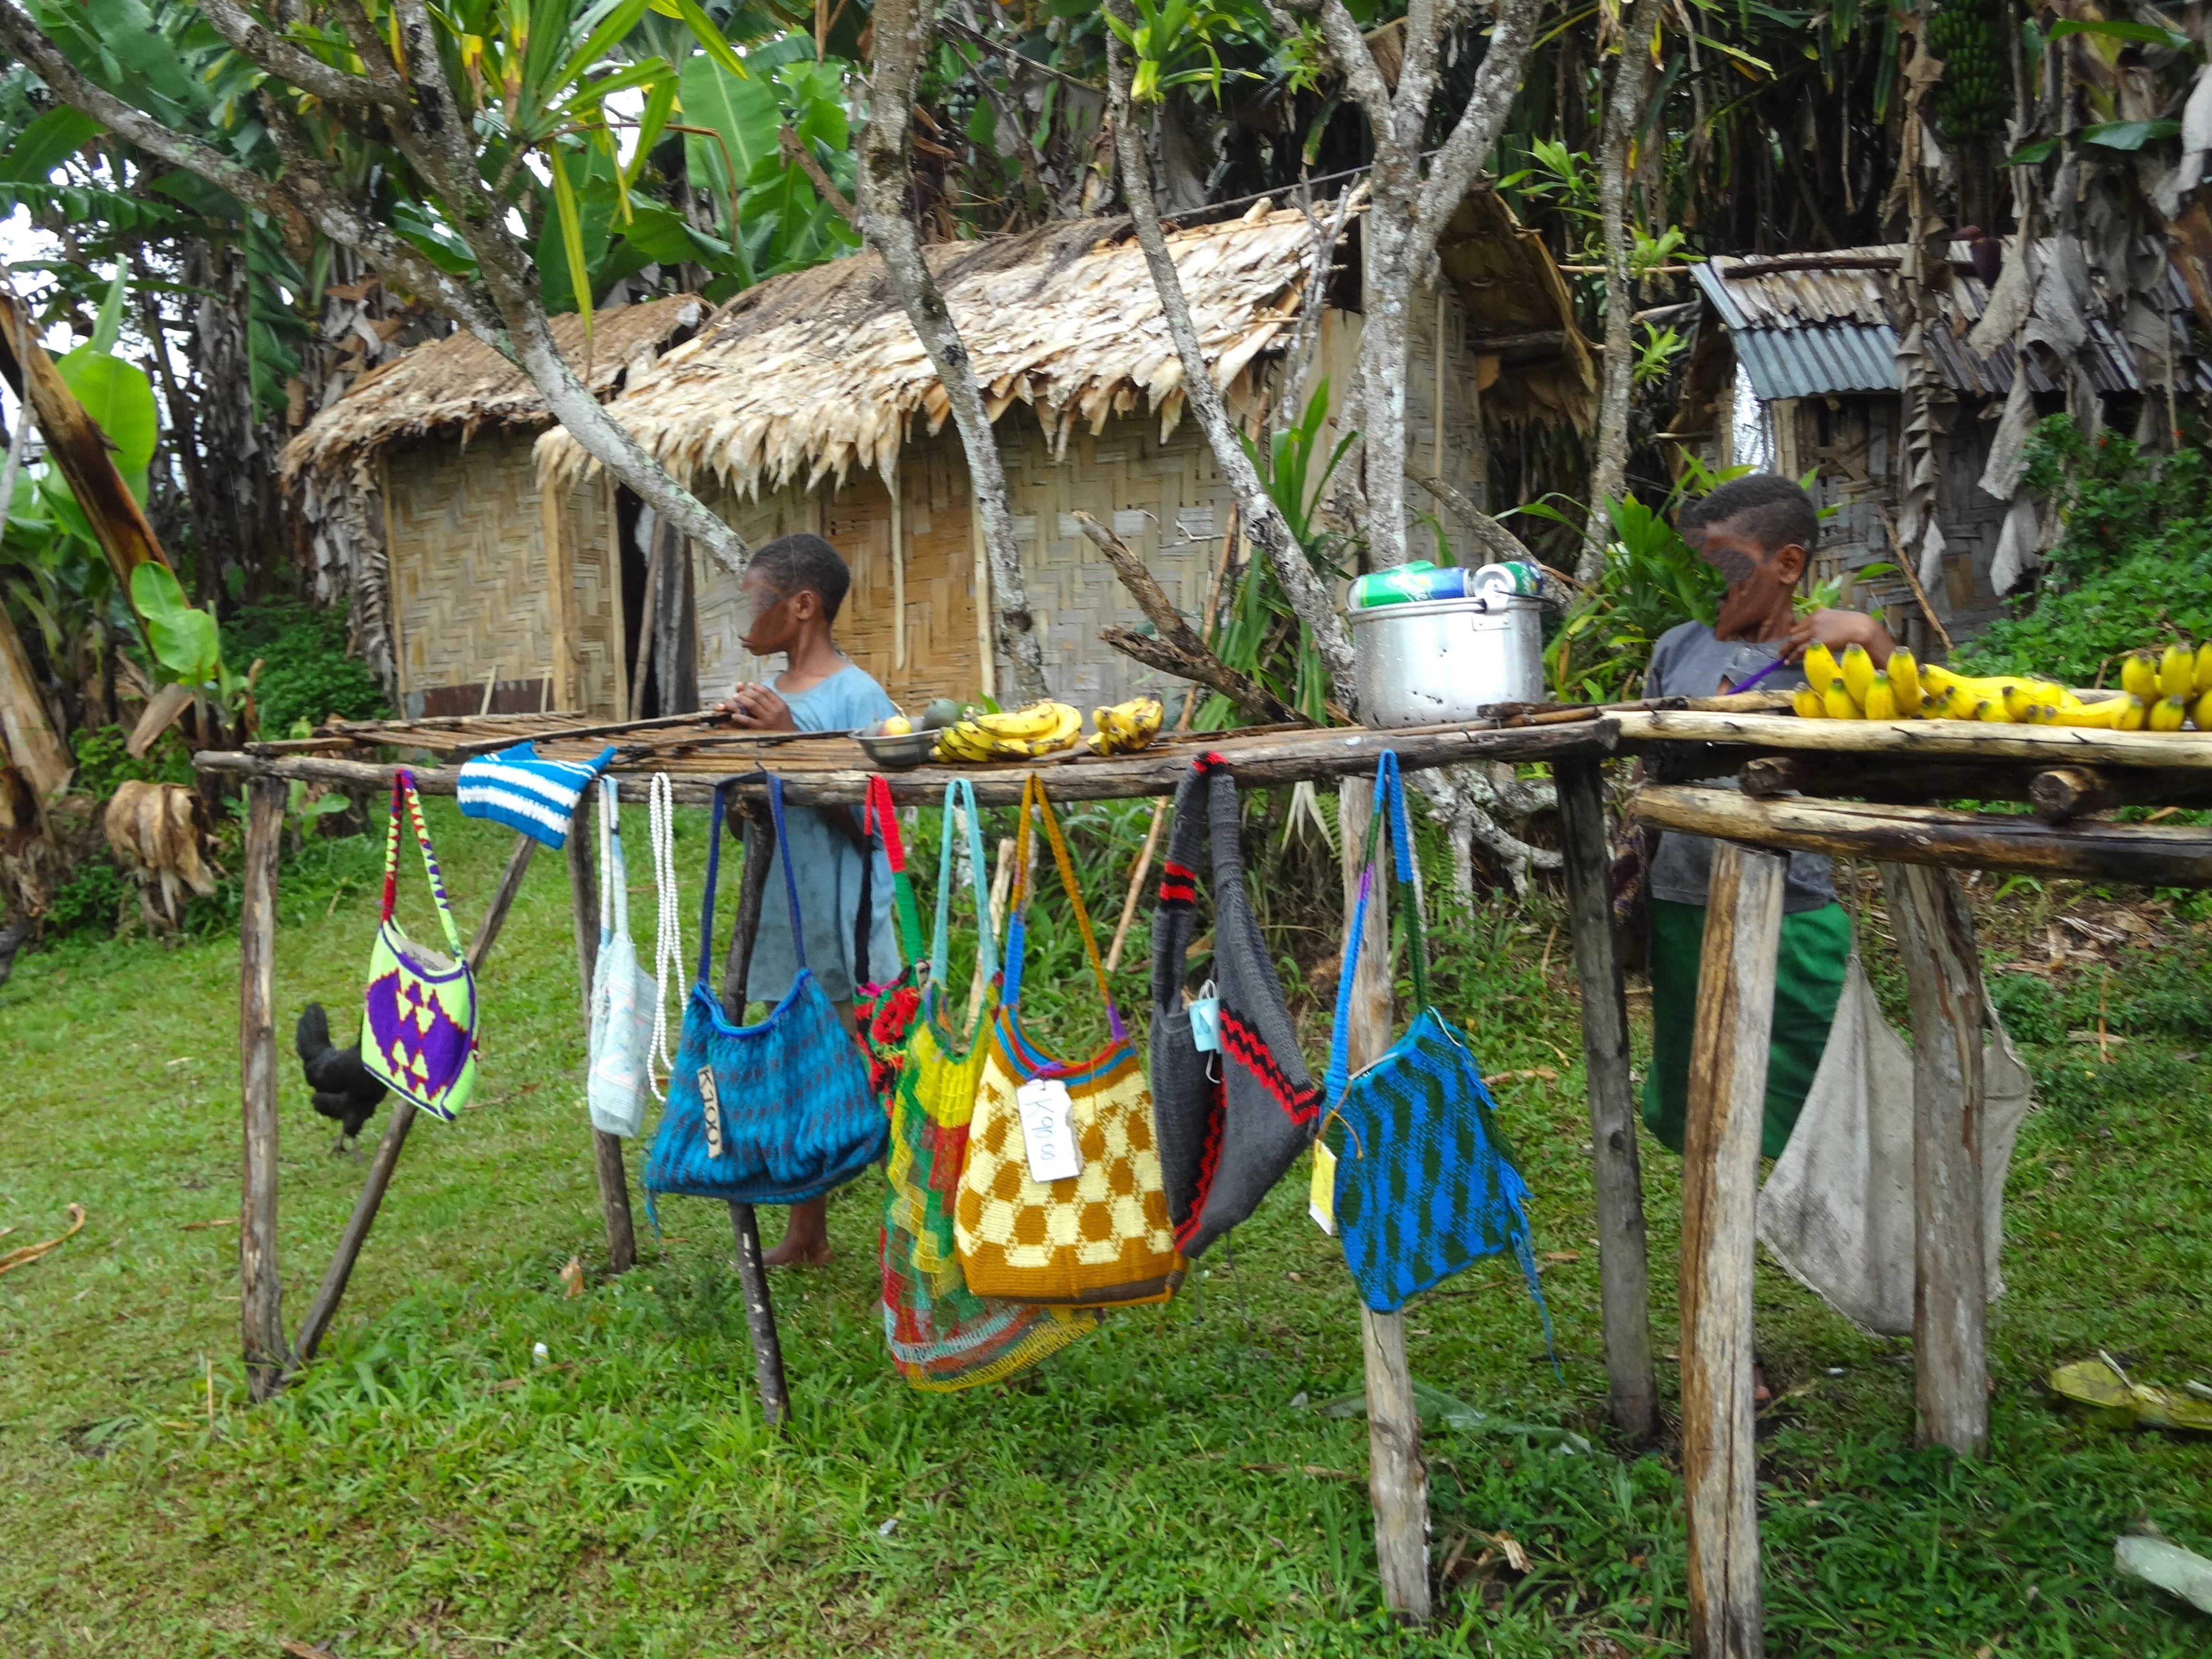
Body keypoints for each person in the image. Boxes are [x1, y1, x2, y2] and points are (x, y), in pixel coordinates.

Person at [1639, 474, 1893, 1166]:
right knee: (1704, 1092)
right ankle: (1716, 1222)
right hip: (1683, 902)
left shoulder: (1833, 656)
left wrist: (1872, 637)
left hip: (1794, 910)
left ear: (1787, 565)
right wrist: (1636, 874)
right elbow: (1650, 774)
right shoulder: (1678, 648)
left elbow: (1919, 719)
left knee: (1819, 1100)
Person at [713, 532, 899, 1266]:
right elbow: (744, 820)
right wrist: (737, 768)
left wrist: (791, 742)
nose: (743, 612)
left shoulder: (861, 697)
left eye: (753, 598)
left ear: (801, 606)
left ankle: (911, 1224)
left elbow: (878, 824)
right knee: (794, 1070)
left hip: (846, 924)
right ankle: (808, 1233)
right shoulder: (760, 700)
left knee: (874, 1071)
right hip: (785, 926)